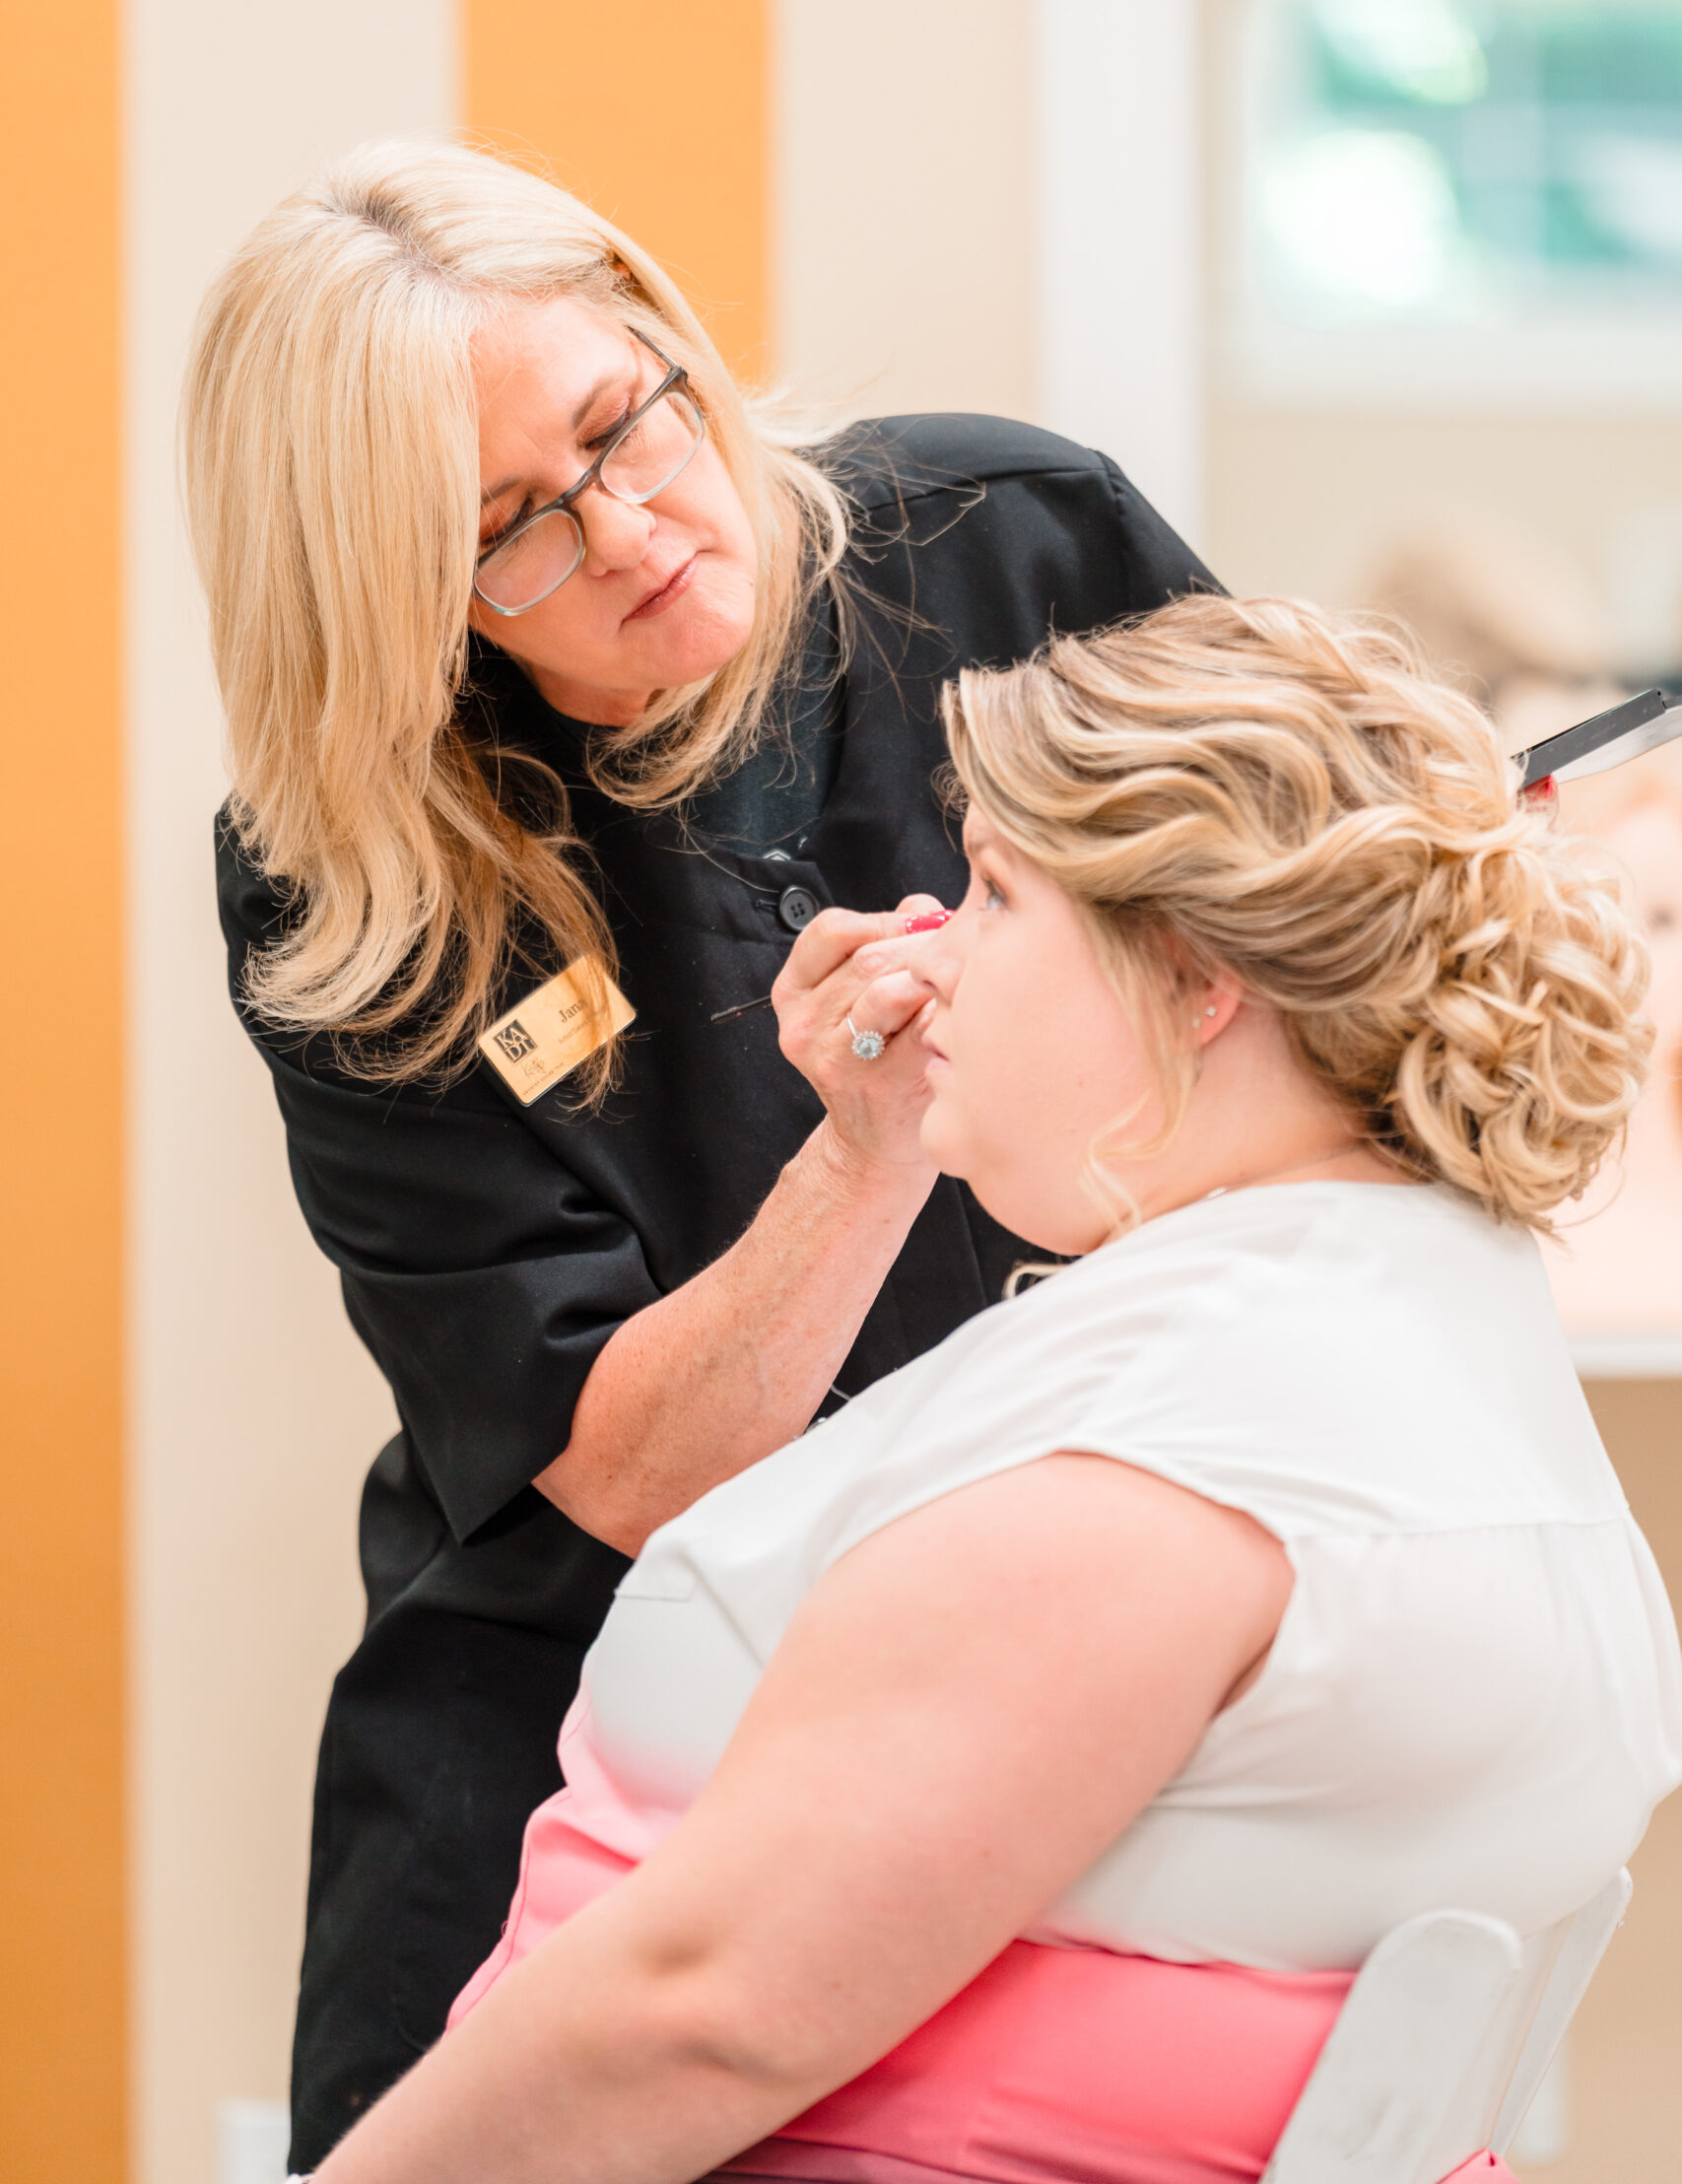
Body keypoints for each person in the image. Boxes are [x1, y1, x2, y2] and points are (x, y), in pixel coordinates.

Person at [301, 593, 1682, 2184]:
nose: (931, 946)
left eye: (995, 891)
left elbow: (701, 2011)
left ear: (1191, 978)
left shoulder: (1181, 1443)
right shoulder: (1405, 1322)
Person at [184, 139, 1213, 2168]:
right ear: (411, 606)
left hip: (1011, 1637)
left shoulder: (1015, 546)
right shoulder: (357, 875)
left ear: (660, 328)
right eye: (513, 532)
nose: (632, 523)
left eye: (616, 417)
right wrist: (871, 1144)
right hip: (573, 1704)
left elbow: (1314, 959)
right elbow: (629, 1463)